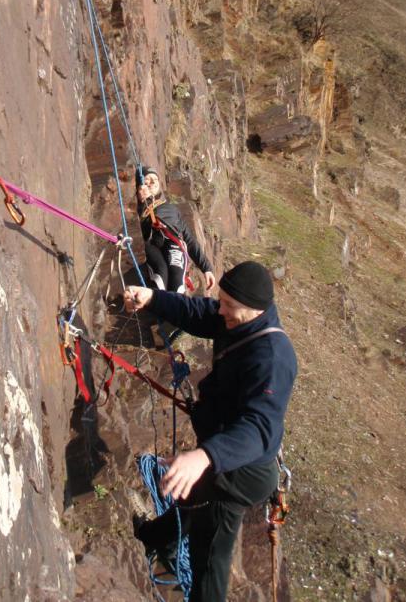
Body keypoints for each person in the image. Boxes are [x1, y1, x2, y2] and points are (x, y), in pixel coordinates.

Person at [124, 261, 297, 602]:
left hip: (239, 473)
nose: (222, 311)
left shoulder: (273, 359)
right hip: (222, 454)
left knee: (209, 555)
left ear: (255, 310)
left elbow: (259, 428)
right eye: (222, 301)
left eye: (229, 307)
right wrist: (153, 298)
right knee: (191, 494)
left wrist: (204, 457)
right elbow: (200, 312)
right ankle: (155, 537)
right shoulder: (239, 319)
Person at [135, 165, 215, 294]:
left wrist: (206, 268)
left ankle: (174, 309)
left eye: (154, 179)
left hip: (173, 242)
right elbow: (137, 223)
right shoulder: (139, 203)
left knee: (177, 280)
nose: (151, 182)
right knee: (160, 275)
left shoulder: (172, 209)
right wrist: (144, 200)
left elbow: (189, 239)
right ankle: (156, 306)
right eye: (147, 179)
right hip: (152, 242)